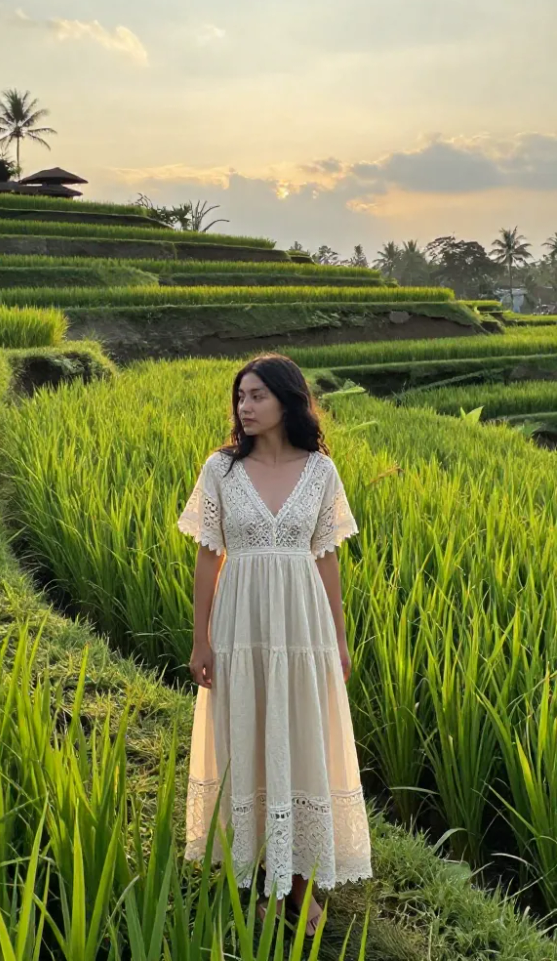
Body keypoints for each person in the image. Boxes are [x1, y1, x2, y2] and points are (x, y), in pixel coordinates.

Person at [177, 353, 372, 937]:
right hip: (241, 626)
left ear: (289, 400)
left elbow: (327, 559)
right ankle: (260, 875)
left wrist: (338, 639)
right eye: (240, 396)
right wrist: (200, 641)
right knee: (248, 736)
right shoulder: (221, 471)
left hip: (302, 627)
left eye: (257, 395)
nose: (245, 406)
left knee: (301, 736)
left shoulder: (320, 472)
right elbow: (208, 557)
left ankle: (300, 883)